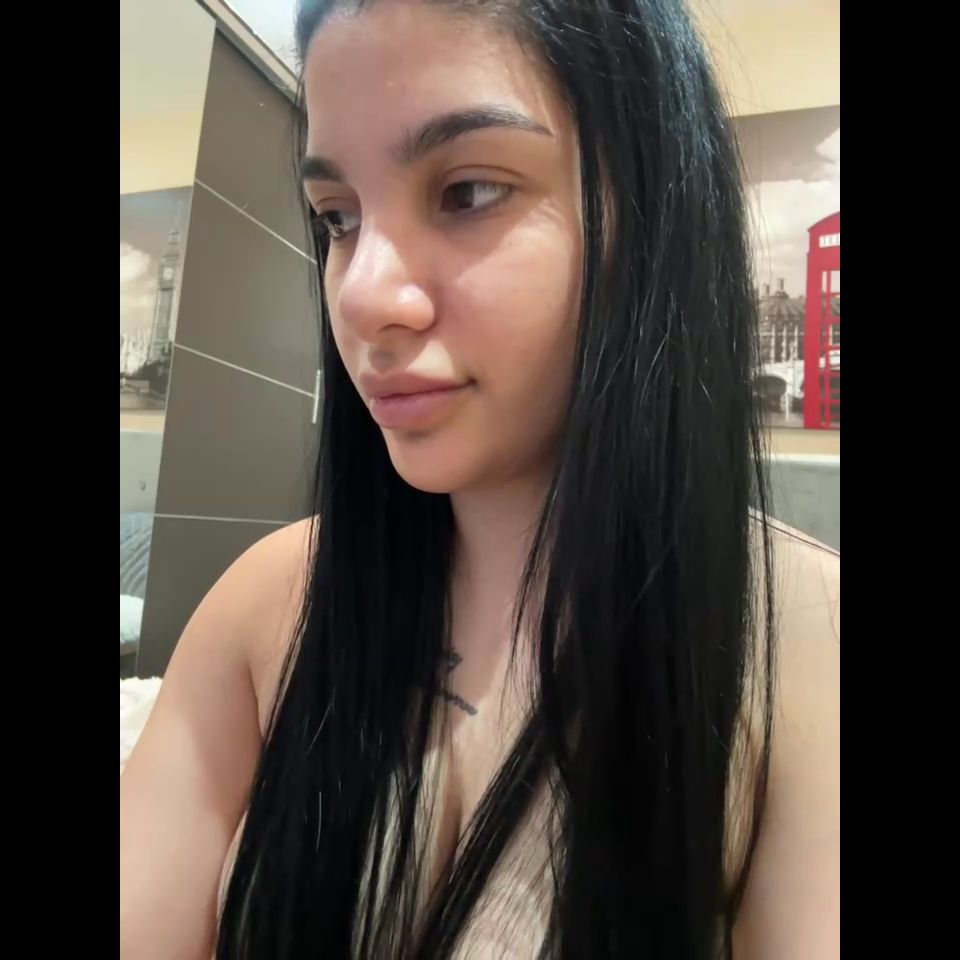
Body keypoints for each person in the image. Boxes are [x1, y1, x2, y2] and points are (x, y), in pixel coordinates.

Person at [120, 1, 840, 957]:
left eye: (466, 192)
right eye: (338, 216)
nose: (361, 294)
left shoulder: (803, 651)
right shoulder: (269, 606)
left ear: (652, 214)